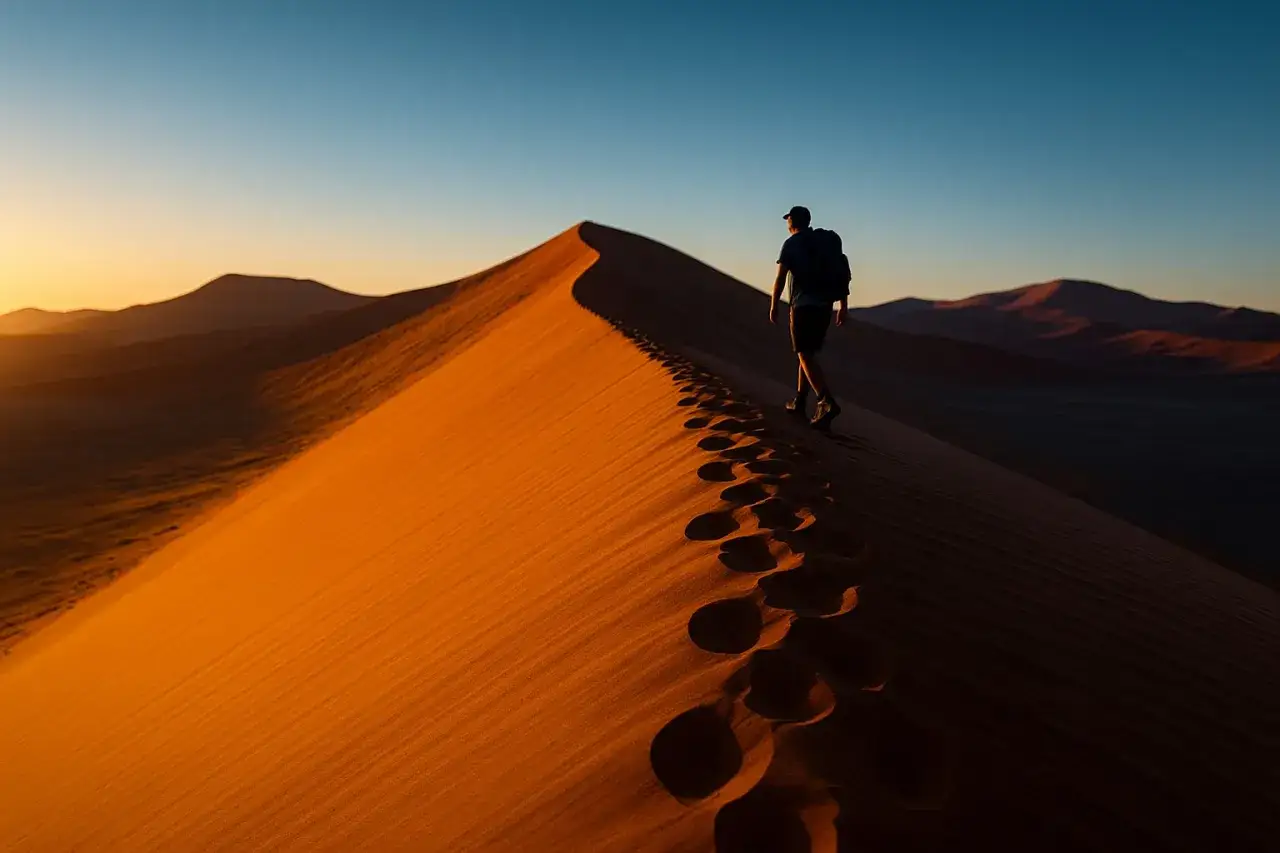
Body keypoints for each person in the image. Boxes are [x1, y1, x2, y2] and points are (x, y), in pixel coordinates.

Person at [769, 205, 848, 429]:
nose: (787, 223)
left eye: (788, 219)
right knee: (807, 354)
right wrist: (843, 305)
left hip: (803, 306)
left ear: (793, 221)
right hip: (825, 307)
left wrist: (774, 305)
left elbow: (780, 278)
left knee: (803, 353)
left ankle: (825, 400)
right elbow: (841, 271)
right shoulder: (825, 242)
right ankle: (800, 400)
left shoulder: (791, 244)